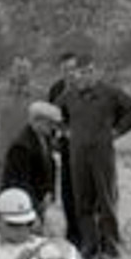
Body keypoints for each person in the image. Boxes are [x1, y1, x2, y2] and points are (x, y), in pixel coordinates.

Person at [56, 54, 131, 259]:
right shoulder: (69, 96)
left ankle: (112, 249)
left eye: (89, 71)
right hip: (78, 155)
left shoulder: (110, 93)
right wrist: (65, 130)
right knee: (83, 202)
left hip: (102, 154)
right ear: (75, 74)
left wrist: (117, 131)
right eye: (81, 72)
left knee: (107, 201)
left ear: (96, 72)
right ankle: (90, 247)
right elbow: (53, 114)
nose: (85, 76)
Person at [1, 101, 63, 224]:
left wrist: (49, 193)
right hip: (22, 204)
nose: (53, 127)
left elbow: (49, 167)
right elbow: (20, 182)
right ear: (37, 121)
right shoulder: (21, 146)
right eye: (50, 123)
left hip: (41, 198)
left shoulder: (45, 138)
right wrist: (35, 207)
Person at [0, 55, 36, 192]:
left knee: (29, 201)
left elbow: (47, 124)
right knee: (3, 200)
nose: (22, 72)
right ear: (12, 70)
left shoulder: (39, 94)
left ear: (31, 71)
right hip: (4, 156)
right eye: (18, 68)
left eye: (25, 68)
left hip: (30, 159)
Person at [48, 51, 81, 248]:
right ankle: (72, 237)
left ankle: (90, 240)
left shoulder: (85, 87)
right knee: (67, 194)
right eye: (64, 70)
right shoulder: (56, 89)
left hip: (86, 150)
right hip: (65, 148)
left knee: (85, 196)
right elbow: (50, 116)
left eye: (72, 69)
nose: (69, 73)